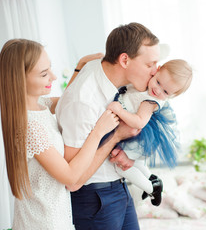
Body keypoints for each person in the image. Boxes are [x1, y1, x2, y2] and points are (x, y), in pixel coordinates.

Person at [0, 39, 135, 229]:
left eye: (50, 69)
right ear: (20, 79)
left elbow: (69, 100)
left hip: (55, 215)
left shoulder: (40, 106)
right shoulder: (29, 127)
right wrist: (98, 132)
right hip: (44, 222)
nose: (53, 77)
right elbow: (70, 177)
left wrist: (79, 68)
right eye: (44, 74)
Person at [55, 22, 160, 230]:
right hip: (93, 199)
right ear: (124, 60)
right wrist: (116, 136)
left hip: (118, 188)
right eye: (150, 65)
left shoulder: (105, 71)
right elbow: (73, 181)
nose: (155, 72)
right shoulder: (84, 102)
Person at [107, 59, 193, 206]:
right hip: (136, 135)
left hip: (136, 135)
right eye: (158, 82)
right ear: (156, 70)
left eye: (165, 91)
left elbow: (139, 121)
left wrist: (119, 111)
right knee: (136, 162)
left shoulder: (150, 101)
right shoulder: (146, 84)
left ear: (172, 95)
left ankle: (151, 188)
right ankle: (153, 178)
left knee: (122, 167)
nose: (158, 90)